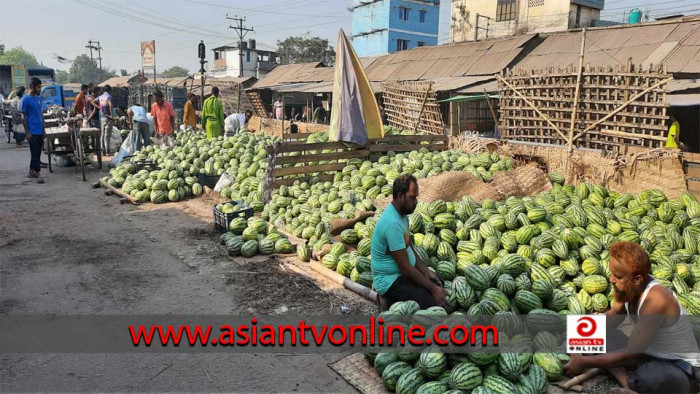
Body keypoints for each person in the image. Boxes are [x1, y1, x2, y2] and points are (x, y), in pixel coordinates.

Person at [564, 241, 700, 393]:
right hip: (647, 355)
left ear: (637, 279)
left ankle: (635, 384)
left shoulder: (656, 301)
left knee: (650, 377)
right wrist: (579, 328)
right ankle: (628, 386)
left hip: (681, 369)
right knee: (593, 333)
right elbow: (614, 317)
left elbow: (630, 354)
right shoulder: (627, 288)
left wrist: (583, 362)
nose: (611, 279)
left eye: (617, 276)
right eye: (611, 273)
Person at [371, 174, 448, 310]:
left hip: (401, 275)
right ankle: (386, 300)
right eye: (412, 197)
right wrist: (433, 290)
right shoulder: (392, 223)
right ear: (400, 196)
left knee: (438, 280)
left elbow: (409, 247)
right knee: (430, 302)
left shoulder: (402, 216)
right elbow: (406, 269)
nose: (416, 201)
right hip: (390, 281)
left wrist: (426, 271)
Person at [21, 78, 45, 184]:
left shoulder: (39, 99)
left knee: (37, 152)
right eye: (38, 87)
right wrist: (27, 132)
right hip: (32, 130)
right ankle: (38, 173)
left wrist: (44, 128)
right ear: (32, 87)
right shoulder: (25, 99)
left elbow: (40, 113)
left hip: (39, 129)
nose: (40, 89)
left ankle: (31, 171)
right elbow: (23, 116)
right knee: (35, 153)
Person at [93, 84, 114, 155]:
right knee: (107, 135)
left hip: (102, 117)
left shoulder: (100, 97)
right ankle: (108, 151)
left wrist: (99, 107)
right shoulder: (109, 97)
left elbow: (92, 102)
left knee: (102, 134)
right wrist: (111, 115)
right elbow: (110, 106)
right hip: (108, 117)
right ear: (109, 90)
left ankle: (103, 152)